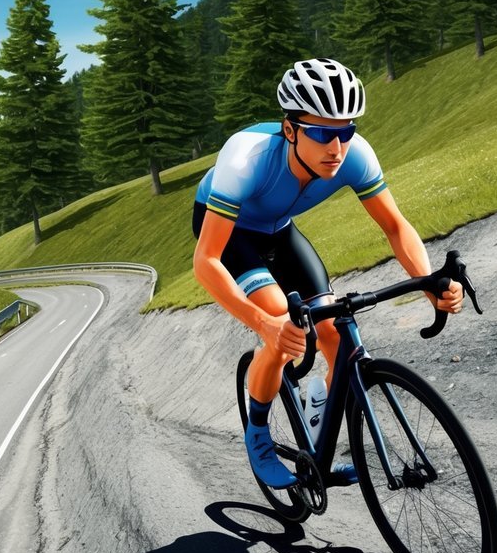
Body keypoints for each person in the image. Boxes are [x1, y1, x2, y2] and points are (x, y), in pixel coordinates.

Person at [192, 58, 463, 489]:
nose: (336, 148)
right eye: (322, 134)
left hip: (280, 232)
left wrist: (428, 284)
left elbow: (395, 226)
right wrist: (265, 323)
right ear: (290, 129)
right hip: (231, 232)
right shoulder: (244, 159)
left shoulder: (354, 155)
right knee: (283, 325)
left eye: (346, 131)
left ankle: (318, 443)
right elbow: (204, 262)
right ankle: (258, 435)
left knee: (335, 329)